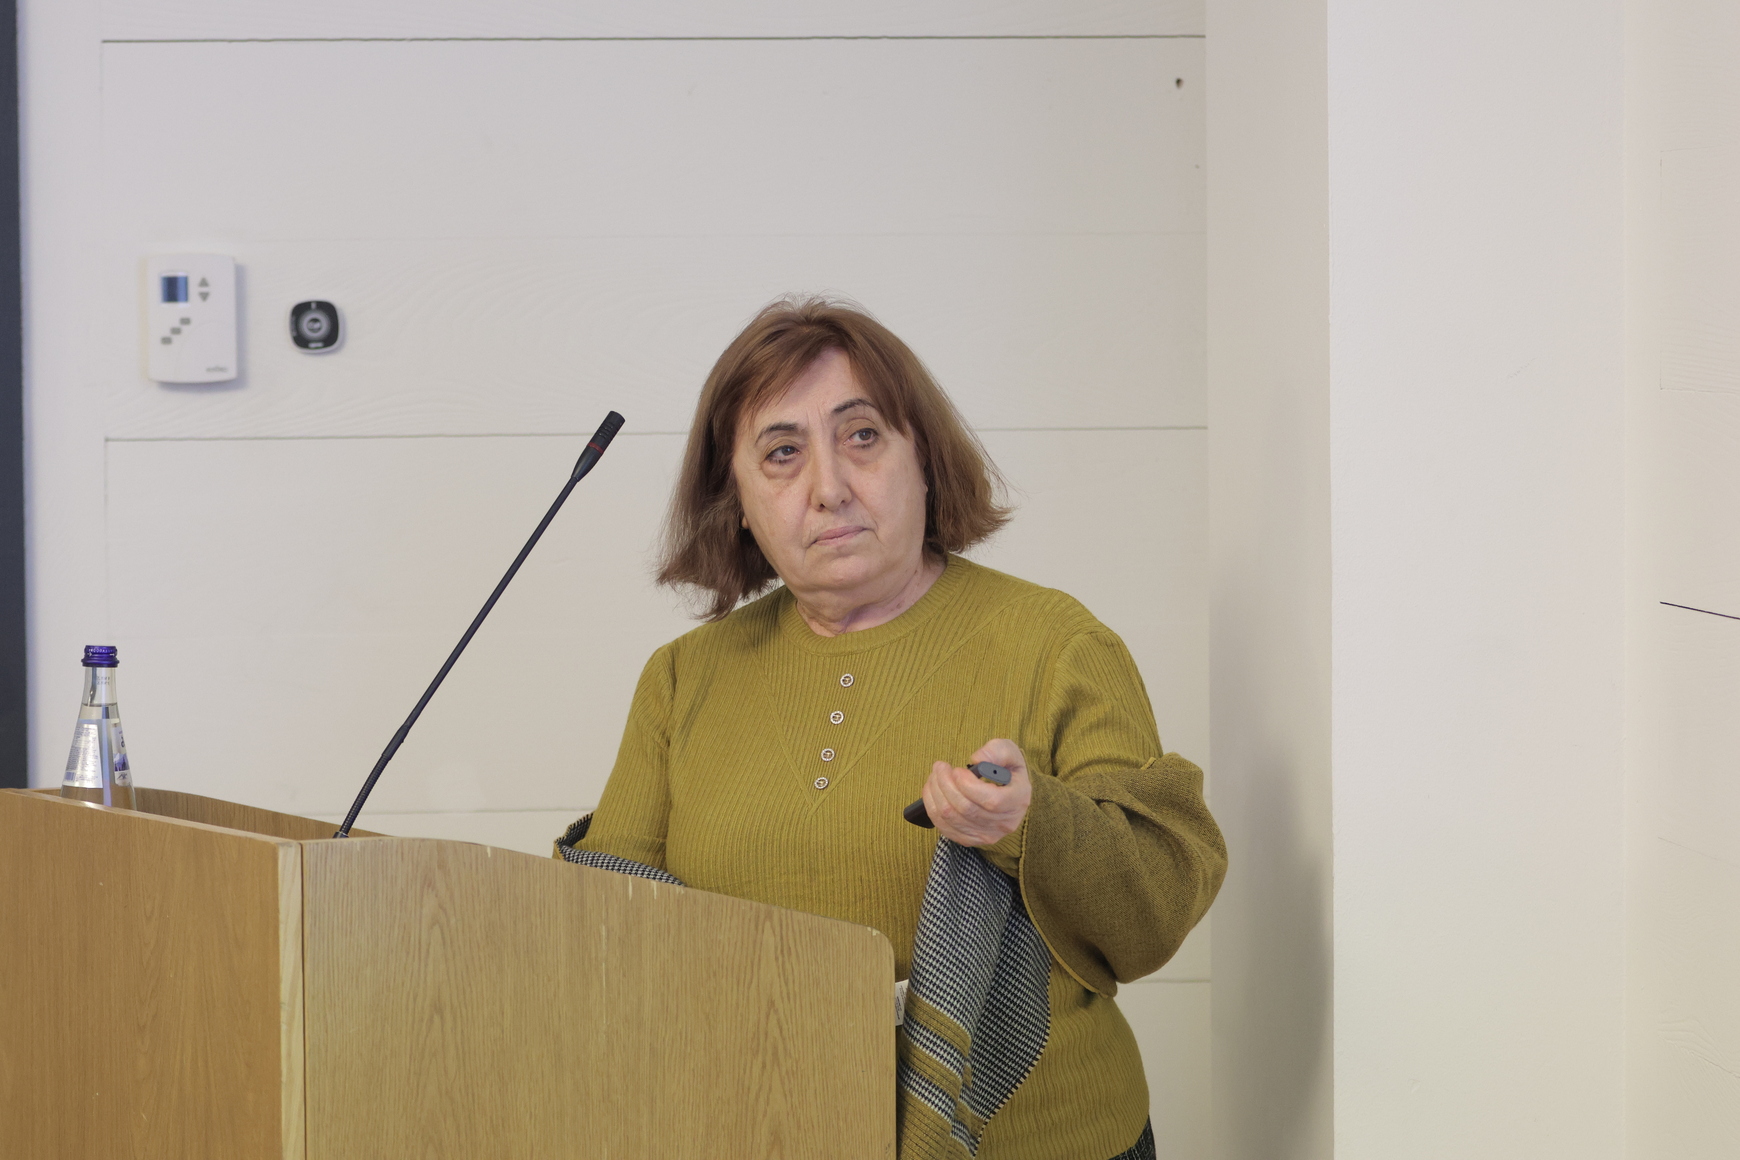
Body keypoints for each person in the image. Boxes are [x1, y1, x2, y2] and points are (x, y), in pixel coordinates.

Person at [569, 297, 1225, 1160]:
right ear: (737, 503)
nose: (829, 486)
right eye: (782, 452)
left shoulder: (1057, 644)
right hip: (765, 1134)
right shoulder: (681, 678)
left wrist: (1031, 822)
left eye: (863, 436)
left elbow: (1154, 914)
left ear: (925, 461)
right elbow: (606, 929)